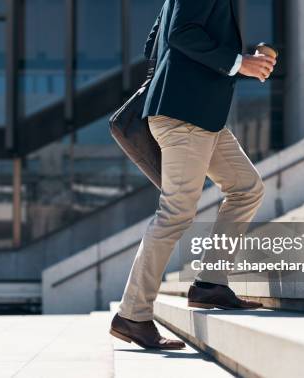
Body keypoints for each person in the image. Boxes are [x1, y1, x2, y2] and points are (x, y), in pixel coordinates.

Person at [109, 0, 277, 350]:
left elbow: (155, 41)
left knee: (246, 188)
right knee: (175, 213)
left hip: (202, 115)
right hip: (184, 116)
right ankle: (132, 315)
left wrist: (241, 60)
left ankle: (210, 283)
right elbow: (179, 33)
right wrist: (238, 63)